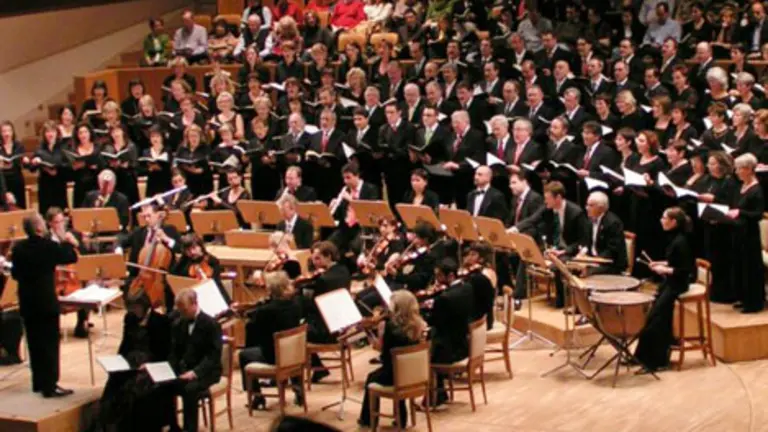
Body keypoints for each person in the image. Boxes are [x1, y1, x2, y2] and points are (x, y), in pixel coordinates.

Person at [11, 213, 79, 397]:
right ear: (40, 228)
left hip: (27, 303)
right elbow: (71, 257)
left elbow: (15, 274)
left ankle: (38, 383)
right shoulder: (48, 247)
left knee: (34, 343)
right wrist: (66, 238)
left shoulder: (18, 249)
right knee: (49, 344)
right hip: (46, 303)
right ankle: (50, 385)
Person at [99, 295, 174, 430]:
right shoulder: (130, 318)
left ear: (145, 306)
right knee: (114, 383)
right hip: (130, 361)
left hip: (151, 363)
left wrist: (150, 364)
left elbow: (164, 351)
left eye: (136, 307)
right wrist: (118, 361)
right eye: (131, 308)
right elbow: (125, 343)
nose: (133, 311)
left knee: (133, 389)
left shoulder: (161, 321)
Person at [634, 207, 694, 372]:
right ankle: (643, 358)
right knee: (654, 317)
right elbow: (674, 262)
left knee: (656, 319)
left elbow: (685, 270)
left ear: (673, 222)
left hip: (678, 284)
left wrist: (665, 270)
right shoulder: (674, 238)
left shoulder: (681, 242)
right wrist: (661, 264)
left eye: (664, 217)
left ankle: (653, 362)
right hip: (670, 282)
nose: (661, 220)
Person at [357, 290, 426, 427]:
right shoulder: (419, 324)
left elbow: (383, 353)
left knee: (371, 377)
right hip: (416, 375)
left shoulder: (391, 328)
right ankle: (402, 418)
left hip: (396, 376)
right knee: (395, 370)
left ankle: (368, 420)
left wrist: (370, 334)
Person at [239, 271, 303, 410]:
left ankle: (257, 396)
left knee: (244, 354)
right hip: (294, 354)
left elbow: (257, 334)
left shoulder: (266, 311)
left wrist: (249, 320)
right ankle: (298, 389)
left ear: (270, 289)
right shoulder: (295, 304)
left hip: (275, 357)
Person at [168, 289, 223, 432]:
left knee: (190, 389)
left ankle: (190, 429)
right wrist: (171, 370)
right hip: (185, 370)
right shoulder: (179, 324)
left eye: (184, 310)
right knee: (164, 385)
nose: (182, 314)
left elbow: (213, 356)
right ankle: (173, 426)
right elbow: (175, 352)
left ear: (195, 304)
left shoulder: (211, 324)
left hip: (207, 372)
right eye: (179, 310)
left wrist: (194, 373)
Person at [301, 241, 351, 382]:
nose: (314, 262)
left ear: (328, 256)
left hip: (327, 330)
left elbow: (314, 306)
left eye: (318, 258)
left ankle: (317, 369)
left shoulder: (323, 279)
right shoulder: (344, 271)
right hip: (342, 325)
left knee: (295, 334)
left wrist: (302, 298)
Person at [427, 258, 473, 407]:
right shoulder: (467, 288)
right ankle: (440, 394)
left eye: (439, 276)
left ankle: (434, 397)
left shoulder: (444, 298)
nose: (437, 280)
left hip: (451, 350)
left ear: (451, 276)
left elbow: (434, 322)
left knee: (426, 354)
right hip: (464, 344)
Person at [730, 154, 765, 313]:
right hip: (739, 231)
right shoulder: (741, 186)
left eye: (739, 168)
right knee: (740, 266)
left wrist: (740, 212)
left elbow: (757, 214)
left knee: (750, 268)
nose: (736, 171)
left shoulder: (757, 190)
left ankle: (754, 302)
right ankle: (744, 298)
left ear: (749, 169)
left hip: (750, 234)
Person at [582, 191, 628, 276]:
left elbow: (612, 251)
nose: (587, 208)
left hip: (611, 264)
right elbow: (588, 243)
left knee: (587, 273)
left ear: (601, 208)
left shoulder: (613, 223)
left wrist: (595, 260)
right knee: (572, 268)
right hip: (595, 260)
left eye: (591, 205)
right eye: (587, 205)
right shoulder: (589, 221)